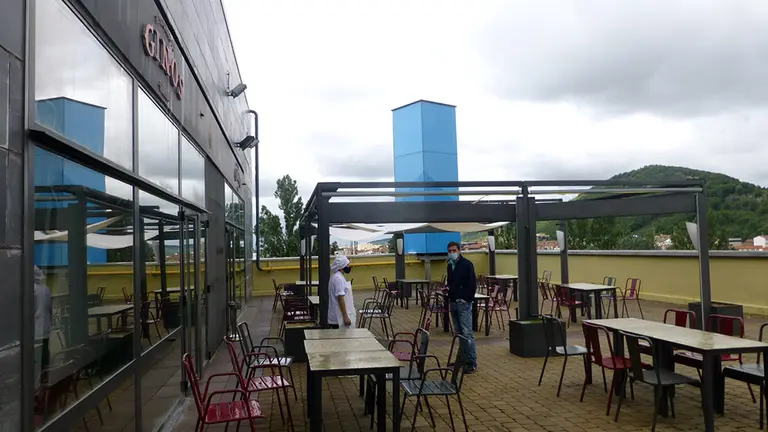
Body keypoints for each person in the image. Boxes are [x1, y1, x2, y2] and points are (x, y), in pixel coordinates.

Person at [446, 241, 478, 373]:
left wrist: (465, 298)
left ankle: (471, 361)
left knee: (467, 333)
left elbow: (472, 285)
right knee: (459, 333)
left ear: (459, 251)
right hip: (453, 302)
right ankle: (462, 359)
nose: (452, 253)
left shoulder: (467, 265)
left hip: (463, 303)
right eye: (450, 251)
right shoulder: (449, 265)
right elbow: (452, 283)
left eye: (454, 250)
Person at [34, 266, 52, 386]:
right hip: (45, 326)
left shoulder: (29, 289)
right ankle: (45, 376)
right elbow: (50, 308)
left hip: (34, 328)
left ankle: (37, 379)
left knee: (35, 355)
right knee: (45, 351)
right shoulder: (46, 289)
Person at [328, 254, 355, 329]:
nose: (349, 267)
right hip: (338, 318)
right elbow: (340, 298)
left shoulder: (338, 276)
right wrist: (345, 316)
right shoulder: (338, 278)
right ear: (342, 266)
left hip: (338, 315)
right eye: (347, 265)